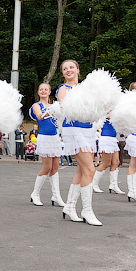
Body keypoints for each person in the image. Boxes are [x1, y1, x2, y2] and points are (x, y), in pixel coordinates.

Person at [56, 59, 101, 225]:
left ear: (78, 70)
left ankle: (69, 206)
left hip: (88, 130)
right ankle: (87, 211)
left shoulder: (86, 89)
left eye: (71, 67)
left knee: (82, 170)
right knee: (90, 168)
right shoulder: (63, 89)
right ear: (62, 73)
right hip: (73, 129)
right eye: (65, 69)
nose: (68, 70)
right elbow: (65, 108)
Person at [28, 82, 67, 207]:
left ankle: (56, 195)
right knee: (47, 167)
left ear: (50, 92)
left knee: (55, 167)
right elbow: (39, 116)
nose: (43, 91)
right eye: (41, 89)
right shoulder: (36, 105)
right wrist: (52, 109)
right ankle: (35, 193)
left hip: (55, 138)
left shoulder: (53, 105)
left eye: (46, 89)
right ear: (38, 92)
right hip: (44, 138)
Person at [90, 118, 125, 195]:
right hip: (106, 139)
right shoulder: (106, 111)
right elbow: (111, 117)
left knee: (116, 162)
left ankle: (114, 185)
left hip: (113, 139)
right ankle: (94, 184)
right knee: (106, 163)